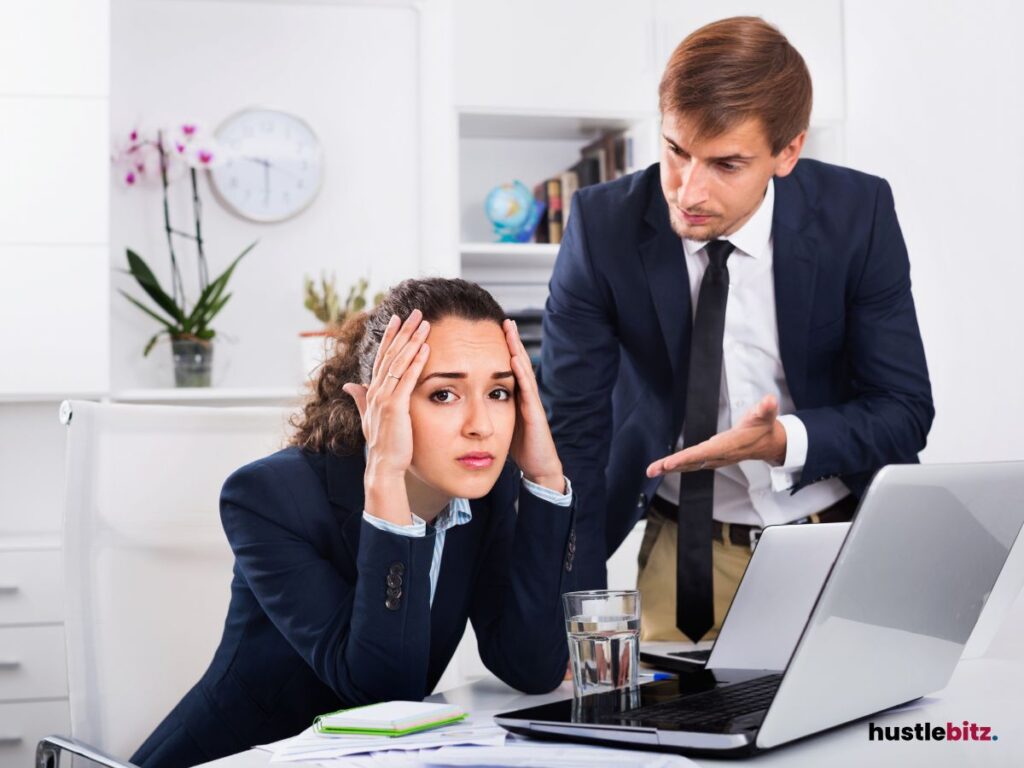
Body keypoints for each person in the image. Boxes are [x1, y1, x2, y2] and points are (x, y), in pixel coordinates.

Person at [541, 16, 933, 643]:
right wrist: (576, 609)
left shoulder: (856, 216)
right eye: (675, 151)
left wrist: (784, 442)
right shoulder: (602, 227)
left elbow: (905, 410)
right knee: (666, 735)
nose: (688, 191)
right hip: (679, 554)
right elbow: (573, 434)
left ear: (787, 152)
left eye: (726, 163)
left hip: (833, 544)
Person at [133, 278, 577, 768]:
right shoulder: (266, 498)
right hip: (236, 756)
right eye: (444, 394)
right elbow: (381, 696)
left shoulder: (484, 492)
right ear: (375, 405)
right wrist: (386, 479)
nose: (482, 425)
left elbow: (532, 666)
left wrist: (544, 478)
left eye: (499, 392)